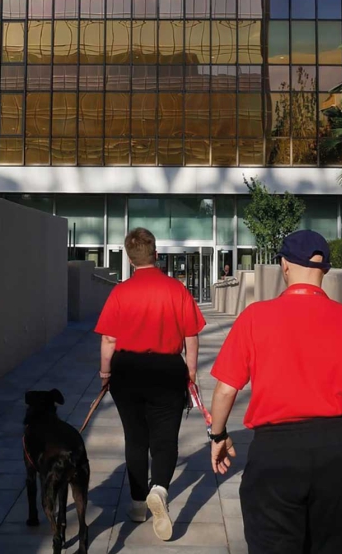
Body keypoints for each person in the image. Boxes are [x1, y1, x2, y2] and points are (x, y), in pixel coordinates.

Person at [207, 229, 342, 554]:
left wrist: (218, 435)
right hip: (335, 449)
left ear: (284, 265)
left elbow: (225, 390)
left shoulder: (255, 317)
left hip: (276, 453)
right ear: (326, 269)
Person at [95, 227, 206, 541]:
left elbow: (108, 338)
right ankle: (159, 489)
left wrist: (105, 374)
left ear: (130, 261)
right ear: (156, 254)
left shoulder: (120, 292)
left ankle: (137, 503)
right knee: (165, 438)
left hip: (127, 370)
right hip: (167, 370)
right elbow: (191, 336)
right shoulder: (176, 290)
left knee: (135, 437)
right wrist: (191, 374)